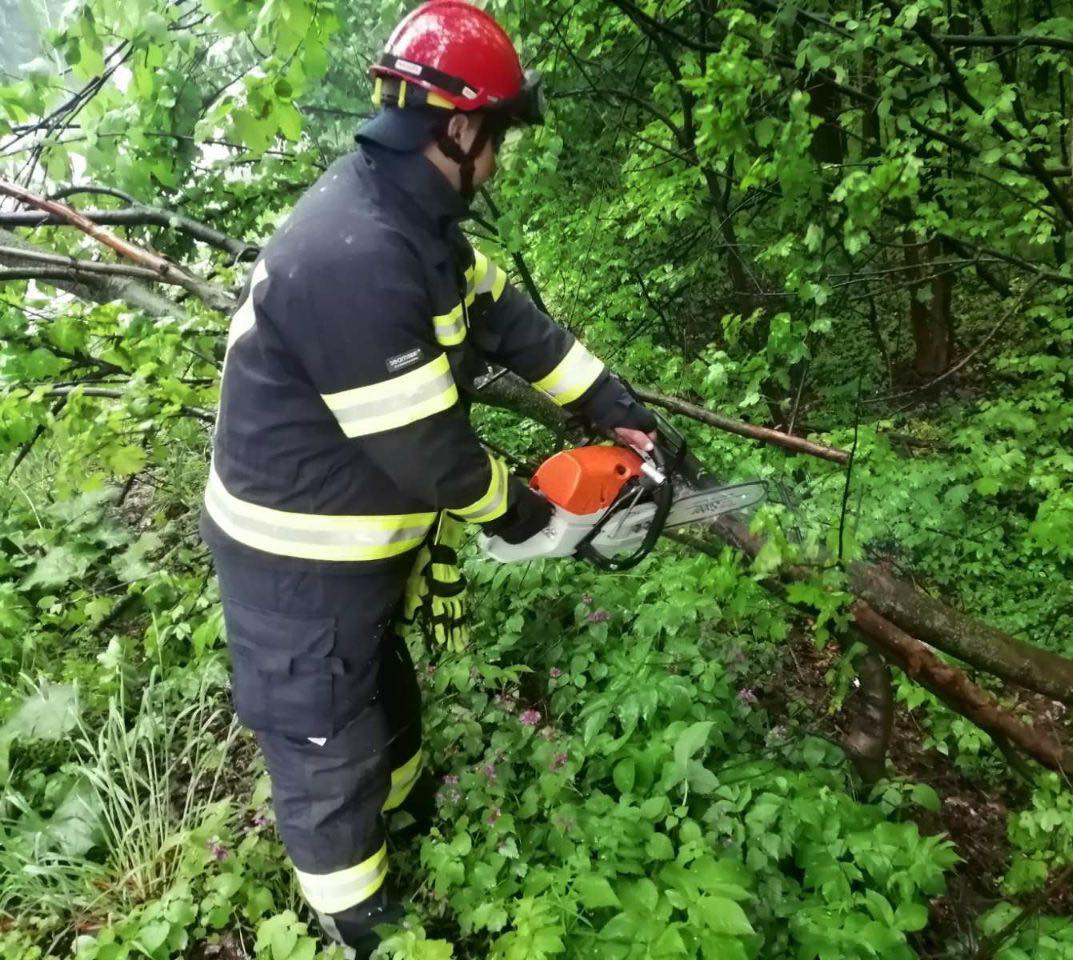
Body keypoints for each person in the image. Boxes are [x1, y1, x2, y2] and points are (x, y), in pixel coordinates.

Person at [199, 2, 656, 954]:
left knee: (384, 700)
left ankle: (399, 823)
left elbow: (511, 321)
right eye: (495, 138)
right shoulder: (350, 256)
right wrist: (530, 516)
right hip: (297, 561)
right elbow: (431, 454)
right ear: (457, 126)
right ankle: (356, 917)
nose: (498, 160)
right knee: (330, 742)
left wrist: (609, 401)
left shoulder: (417, 222)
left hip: (362, 546)